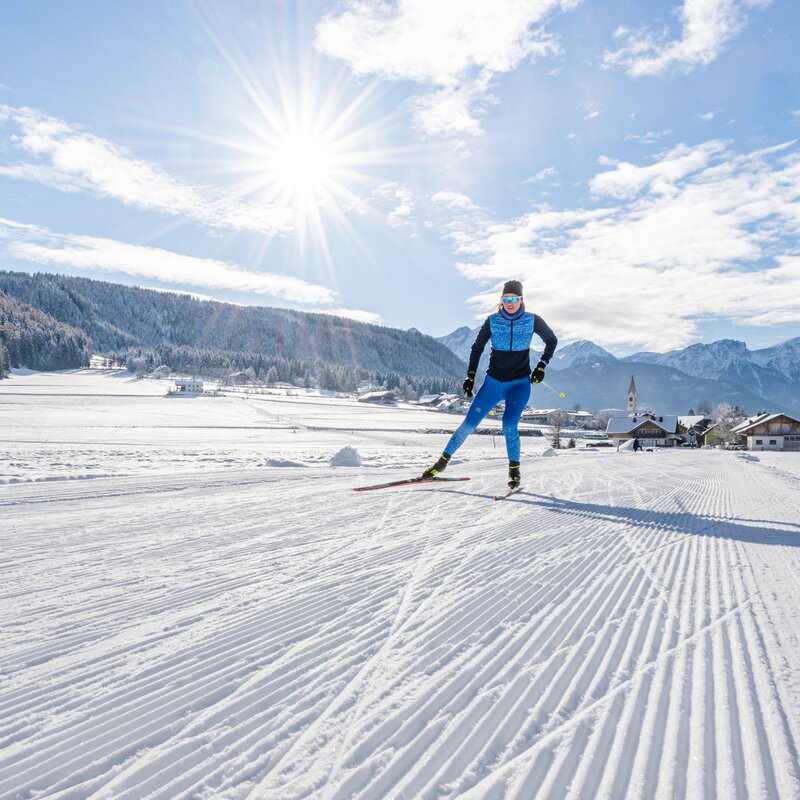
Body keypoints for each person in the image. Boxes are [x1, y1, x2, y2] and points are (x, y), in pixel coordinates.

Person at [421, 280, 558, 488]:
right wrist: (470, 376)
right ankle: (440, 464)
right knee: (469, 423)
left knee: (509, 425)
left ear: (521, 300)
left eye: (514, 299)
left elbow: (552, 340)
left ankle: (514, 471)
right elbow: (477, 348)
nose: (510, 303)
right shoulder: (492, 321)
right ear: (500, 301)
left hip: (519, 385)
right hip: (493, 383)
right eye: (505, 299)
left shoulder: (532, 320)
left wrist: (541, 366)